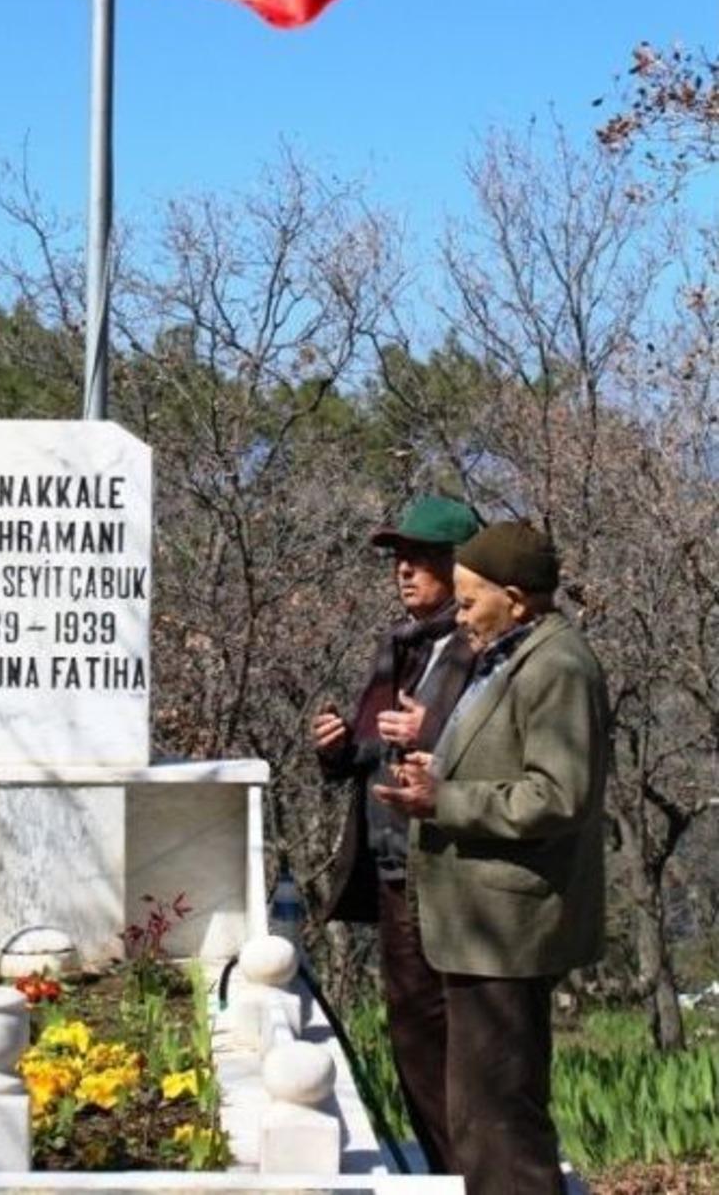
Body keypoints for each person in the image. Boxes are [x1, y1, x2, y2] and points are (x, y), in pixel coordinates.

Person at [374, 520, 609, 1195]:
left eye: (473, 598)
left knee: (501, 1117)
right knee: (480, 1114)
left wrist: (445, 799)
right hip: (476, 924)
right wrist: (437, 766)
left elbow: (558, 795)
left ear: (516, 596)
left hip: (506, 929)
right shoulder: (509, 652)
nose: (463, 610)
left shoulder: (557, 665)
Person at [312, 494, 481, 1174]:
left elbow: (493, 748)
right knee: (413, 1030)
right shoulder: (399, 645)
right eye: (398, 559)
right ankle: (447, 1172)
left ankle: (470, 1173)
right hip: (391, 866)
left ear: (458, 567)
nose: (403, 572)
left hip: (445, 866)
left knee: (455, 1035)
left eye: (420, 559)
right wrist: (334, 748)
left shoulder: (480, 645)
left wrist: (431, 733)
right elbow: (367, 747)